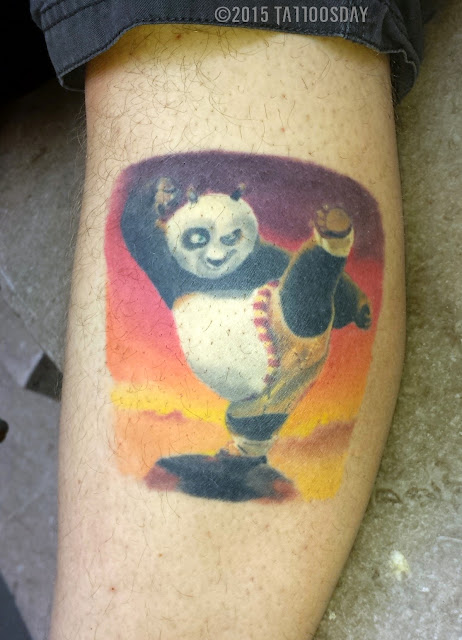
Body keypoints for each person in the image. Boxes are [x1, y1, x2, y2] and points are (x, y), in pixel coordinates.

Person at [30, 2, 424, 638]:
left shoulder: (261, 257)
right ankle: (252, 433)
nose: (215, 254)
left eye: (228, 239)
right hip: (259, 372)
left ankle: (328, 252)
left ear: (246, 223)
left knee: (303, 294)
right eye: (199, 242)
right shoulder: (173, 265)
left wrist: (351, 302)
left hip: (285, 344)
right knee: (270, 382)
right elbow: (139, 234)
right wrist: (145, 201)